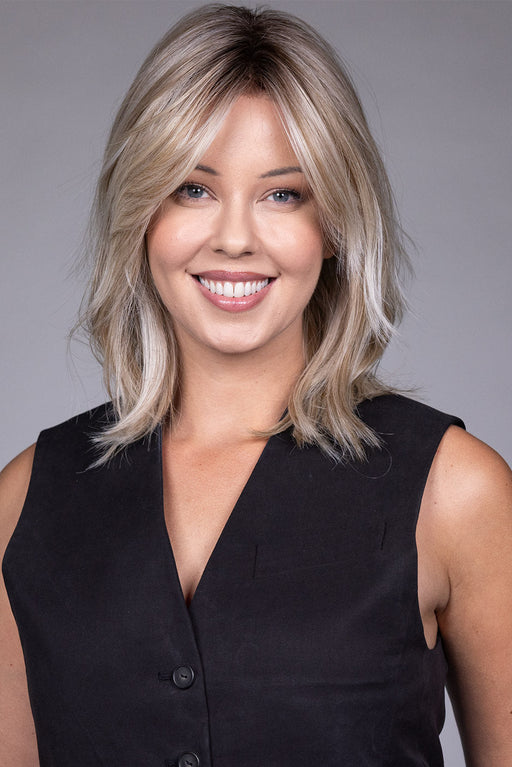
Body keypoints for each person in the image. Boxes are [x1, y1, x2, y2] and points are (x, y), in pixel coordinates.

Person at [1, 4, 511, 765]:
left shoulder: (455, 492)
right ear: (141, 214)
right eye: (192, 189)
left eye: (283, 194)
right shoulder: (25, 500)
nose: (235, 238)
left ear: (334, 224)